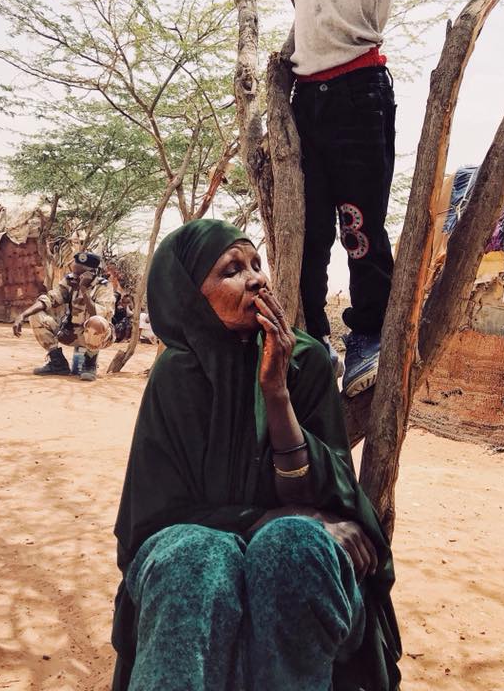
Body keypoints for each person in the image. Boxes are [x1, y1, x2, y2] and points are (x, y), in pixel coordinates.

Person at [111, 219, 401, 691]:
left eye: (256, 264)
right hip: (192, 553)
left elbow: (333, 494)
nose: (257, 278)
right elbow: (155, 520)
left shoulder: (303, 361)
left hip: (302, 559)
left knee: (293, 548)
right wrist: (267, 518)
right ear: (190, 295)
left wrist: (276, 392)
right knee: (193, 558)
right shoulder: (174, 376)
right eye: (231, 270)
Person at [281, 0, 489, 397]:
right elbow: (313, 11)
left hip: (357, 96)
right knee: (307, 230)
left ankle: (368, 338)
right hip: (306, 104)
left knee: (360, 227)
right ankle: (312, 341)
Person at [12, 250, 116, 381]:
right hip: (72, 333)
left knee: (97, 321)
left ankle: (90, 363)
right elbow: (49, 299)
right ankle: (57, 362)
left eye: (79, 273)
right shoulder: (70, 281)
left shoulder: (104, 287)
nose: (74, 275)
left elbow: (97, 313)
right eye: (74, 271)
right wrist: (23, 315)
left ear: (92, 273)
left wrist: (83, 289)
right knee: (36, 315)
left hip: (99, 336)